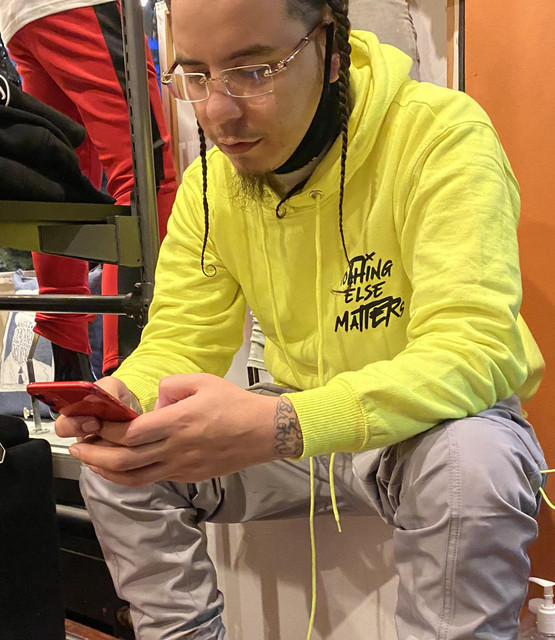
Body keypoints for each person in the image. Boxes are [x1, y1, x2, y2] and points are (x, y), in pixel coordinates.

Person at [56, 0, 548, 638]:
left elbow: (472, 352)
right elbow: (180, 340)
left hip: (428, 427)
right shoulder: (211, 184)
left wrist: (286, 424)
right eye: (196, 76)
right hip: (295, 420)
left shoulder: (440, 136)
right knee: (120, 462)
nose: (219, 112)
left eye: (253, 71)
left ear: (331, 48)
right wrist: (126, 397)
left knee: (473, 465)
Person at [0, 0, 178, 379]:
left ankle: (71, 368)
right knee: (147, 178)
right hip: (81, 5)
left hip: (20, 17)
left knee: (63, 180)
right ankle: (133, 376)